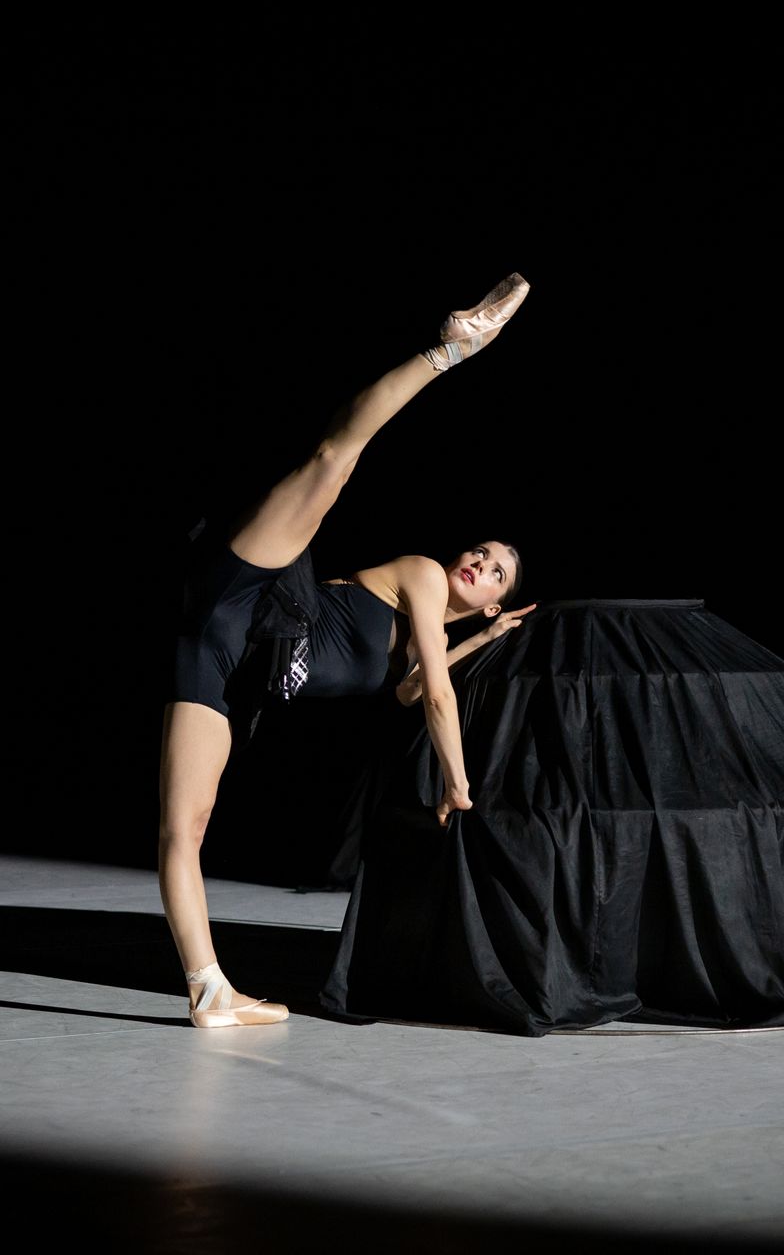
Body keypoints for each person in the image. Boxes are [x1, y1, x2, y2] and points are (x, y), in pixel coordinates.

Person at [161, 273, 541, 1028]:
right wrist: (458, 785)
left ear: (496, 599)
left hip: (226, 667)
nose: (479, 560)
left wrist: (481, 640)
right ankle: (450, 349)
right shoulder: (424, 576)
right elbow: (433, 698)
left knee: (186, 830)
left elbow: (406, 691)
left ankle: (209, 991)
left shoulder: (430, 633)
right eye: (481, 548)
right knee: (335, 461)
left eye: (495, 570)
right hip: (250, 597)